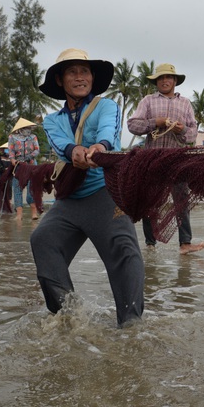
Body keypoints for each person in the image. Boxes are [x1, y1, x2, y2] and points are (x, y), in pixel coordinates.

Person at [31, 48, 144, 328]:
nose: (80, 77)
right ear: (60, 80)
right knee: (42, 240)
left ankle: (131, 327)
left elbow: (109, 131)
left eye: (85, 71)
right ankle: (69, 316)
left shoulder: (107, 106)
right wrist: (75, 151)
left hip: (106, 195)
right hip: (69, 200)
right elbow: (60, 144)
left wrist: (100, 148)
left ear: (93, 77)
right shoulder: (51, 120)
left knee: (125, 251)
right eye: (72, 72)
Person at [127, 63, 204, 255]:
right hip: (152, 159)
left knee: (181, 200)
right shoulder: (148, 101)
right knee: (150, 202)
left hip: (176, 160)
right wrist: (157, 122)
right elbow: (133, 125)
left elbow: (193, 134)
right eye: (160, 78)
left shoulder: (185, 103)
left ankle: (185, 243)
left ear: (175, 81)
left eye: (168, 78)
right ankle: (150, 244)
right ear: (156, 82)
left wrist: (182, 129)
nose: (164, 81)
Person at [8, 118, 40, 220]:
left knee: (31, 189)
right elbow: (11, 150)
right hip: (18, 167)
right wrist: (13, 160)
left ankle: (34, 213)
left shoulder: (33, 137)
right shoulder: (12, 137)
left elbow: (37, 150)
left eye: (29, 128)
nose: (28, 130)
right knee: (17, 189)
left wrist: (30, 156)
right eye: (26, 128)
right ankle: (19, 215)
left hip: (31, 166)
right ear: (20, 129)